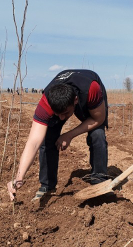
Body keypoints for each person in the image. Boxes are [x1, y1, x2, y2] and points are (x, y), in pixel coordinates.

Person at [7, 69, 109, 201]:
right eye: (57, 113)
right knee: (47, 138)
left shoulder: (92, 89)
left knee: (97, 134)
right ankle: (47, 186)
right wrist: (19, 177)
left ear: (75, 100)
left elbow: (98, 119)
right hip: (63, 101)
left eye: (65, 113)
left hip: (88, 92)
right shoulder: (46, 103)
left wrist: (69, 135)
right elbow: (33, 143)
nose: (61, 118)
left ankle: (99, 180)